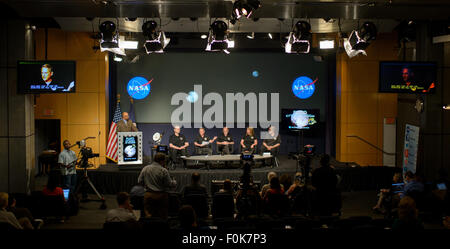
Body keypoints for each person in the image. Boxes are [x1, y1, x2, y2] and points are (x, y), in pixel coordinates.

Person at [138, 153, 177, 219]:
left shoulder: (145, 168)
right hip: (161, 196)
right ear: (162, 161)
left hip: (148, 195)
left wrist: (146, 186)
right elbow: (168, 184)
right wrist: (174, 182)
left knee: (148, 216)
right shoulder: (163, 170)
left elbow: (139, 181)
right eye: (165, 160)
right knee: (162, 216)